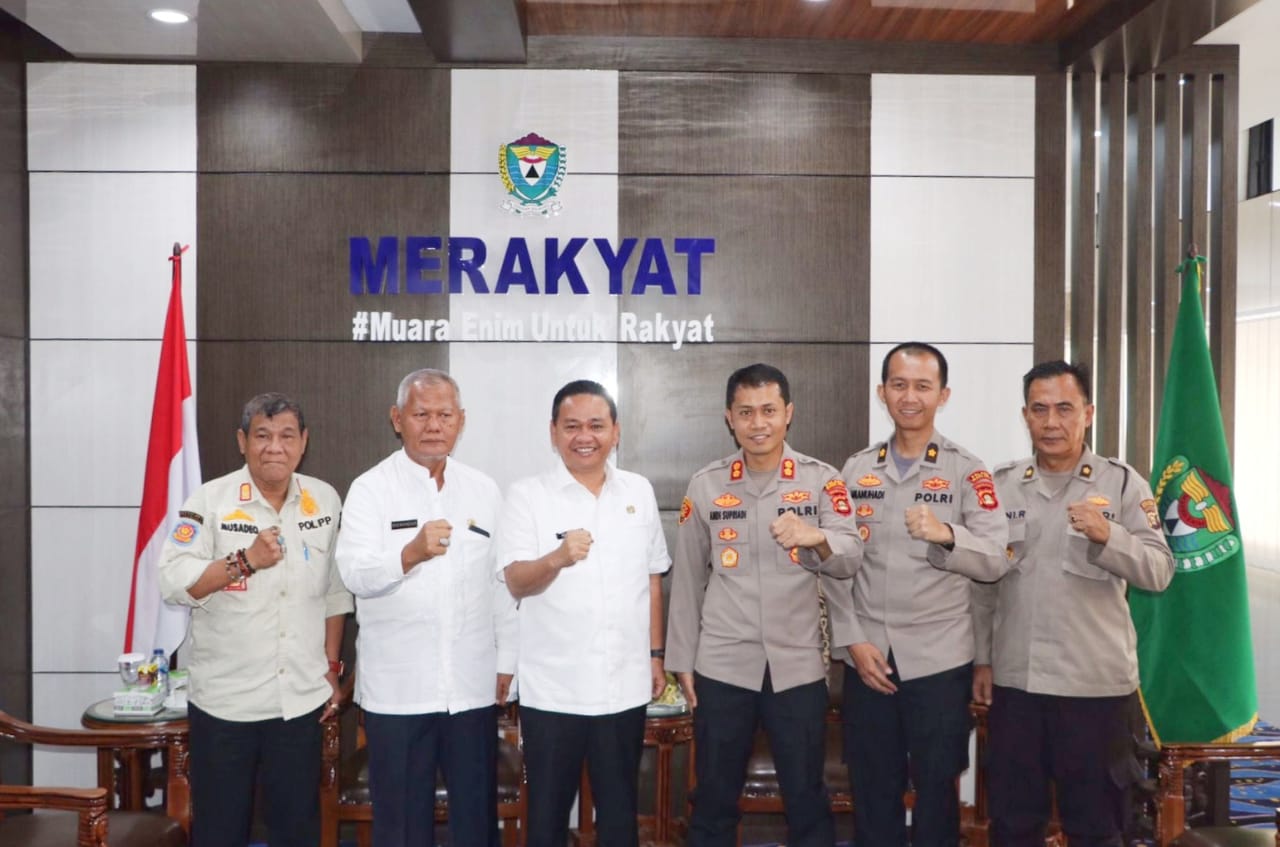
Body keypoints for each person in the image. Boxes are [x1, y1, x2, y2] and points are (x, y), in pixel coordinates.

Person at [972, 360, 1174, 847]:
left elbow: (1159, 570)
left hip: (1094, 690)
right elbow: (982, 586)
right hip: (1018, 686)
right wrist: (982, 659)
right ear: (1025, 416)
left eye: (1064, 409)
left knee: (1097, 827)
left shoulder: (1121, 484)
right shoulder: (1000, 486)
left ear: (1088, 413)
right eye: (1039, 409)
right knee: (1013, 824)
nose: (1051, 422)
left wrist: (1110, 536)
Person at [665, 362, 863, 847]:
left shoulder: (822, 480)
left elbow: (850, 558)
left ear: (788, 413)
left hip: (796, 667)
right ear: (729, 418)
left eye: (769, 411)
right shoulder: (706, 484)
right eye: (746, 412)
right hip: (722, 665)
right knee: (713, 798)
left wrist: (816, 537)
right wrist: (681, 662)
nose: (758, 423)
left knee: (807, 798)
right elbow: (688, 580)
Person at [835, 342, 1010, 847]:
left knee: (937, 795)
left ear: (943, 395)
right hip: (868, 660)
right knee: (872, 792)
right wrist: (852, 642)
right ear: (882, 392)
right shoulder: (856, 470)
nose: (909, 397)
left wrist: (947, 535)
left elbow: (996, 558)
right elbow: (836, 570)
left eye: (922, 386)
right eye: (898, 385)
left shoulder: (968, 471)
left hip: (939, 662)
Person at [159, 392, 352, 847]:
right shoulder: (210, 500)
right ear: (242, 441)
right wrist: (244, 561)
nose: (274, 448)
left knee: (297, 831)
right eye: (262, 436)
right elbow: (173, 582)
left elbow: (335, 592)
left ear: (304, 442)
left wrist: (330, 666)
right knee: (220, 831)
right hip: (226, 704)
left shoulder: (324, 500)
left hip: (299, 701)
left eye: (287, 436)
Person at [334, 369, 516, 847]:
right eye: (421, 415)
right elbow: (354, 574)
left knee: (476, 823)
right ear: (397, 420)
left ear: (461, 421)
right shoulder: (370, 489)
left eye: (444, 415)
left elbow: (500, 582)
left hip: (471, 687)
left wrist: (507, 660)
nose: (434, 425)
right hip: (398, 692)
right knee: (401, 828)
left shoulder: (483, 490)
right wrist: (408, 554)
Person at [496, 379, 670, 847]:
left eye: (596, 425)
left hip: (623, 685)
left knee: (619, 816)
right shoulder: (527, 495)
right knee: (547, 818)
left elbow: (653, 578)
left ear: (616, 431)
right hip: (554, 690)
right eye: (571, 426)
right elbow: (515, 581)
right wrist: (557, 557)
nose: (584, 436)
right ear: (553, 432)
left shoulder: (638, 491)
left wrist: (655, 656)